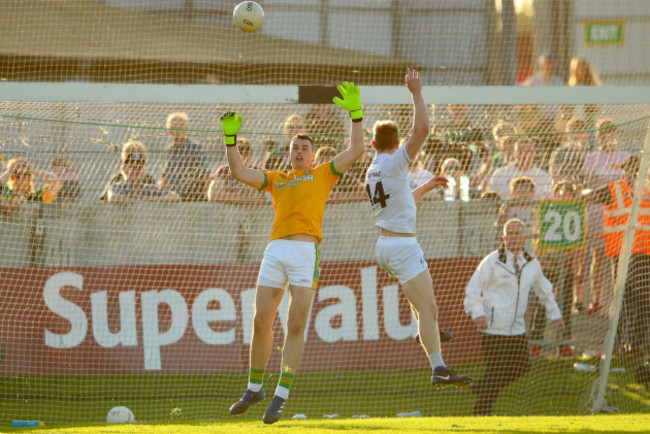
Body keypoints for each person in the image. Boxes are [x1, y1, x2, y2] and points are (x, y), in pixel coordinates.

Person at [224, 81, 365, 425]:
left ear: (314, 155)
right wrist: (230, 140)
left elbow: (357, 150)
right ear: (288, 153)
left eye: (304, 147)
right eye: (294, 147)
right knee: (260, 320)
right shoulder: (276, 178)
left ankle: (281, 395)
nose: (299, 151)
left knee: (296, 323)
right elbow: (239, 172)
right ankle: (254, 387)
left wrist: (356, 115)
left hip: (305, 252)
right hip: (275, 250)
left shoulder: (323, 173)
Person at [364, 68, 473, 390]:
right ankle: (438, 367)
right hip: (402, 246)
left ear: (372, 143)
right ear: (397, 144)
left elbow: (399, 202)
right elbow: (424, 128)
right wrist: (416, 93)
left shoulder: (372, 170)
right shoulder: (396, 160)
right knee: (428, 309)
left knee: (427, 309)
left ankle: (426, 333)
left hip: (386, 245)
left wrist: (426, 186)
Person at [464, 219, 565, 416]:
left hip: (517, 327)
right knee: (496, 370)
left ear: (525, 238)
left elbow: (544, 290)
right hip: (493, 327)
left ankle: (480, 388)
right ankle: (482, 410)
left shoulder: (531, 263)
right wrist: (478, 314)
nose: (513, 238)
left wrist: (556, 316)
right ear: (503, 238)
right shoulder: (492, 261)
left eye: (517, 234)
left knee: (522, 366)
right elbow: (472, 290)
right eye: (509, 234)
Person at [586, 156, 650, 357]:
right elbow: (590, 196)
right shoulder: (614, 189)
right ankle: (619, 344)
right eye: (627, 170)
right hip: (621, 255)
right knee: (622, 298)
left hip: (643, 254)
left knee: (641, 300)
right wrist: (585, 191)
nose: (630, 174)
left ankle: (636, 344)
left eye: (634, 170)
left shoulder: (647, 190)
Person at [581, 118, 629, 314]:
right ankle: (596, 300)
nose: (607, 137)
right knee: (598, 257)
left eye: (610, 132)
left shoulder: (624, 157)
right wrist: (607, 184)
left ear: (615, 135)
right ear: (598, 136)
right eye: (603, 133)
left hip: (618, 214)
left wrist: (602, 183)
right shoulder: (591, 157)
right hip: (597, 214)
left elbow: (626, 185)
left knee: (617, 259)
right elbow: (588, 186)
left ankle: (617, 302)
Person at [530, 181, 582, 357]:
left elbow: (580, 243)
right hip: (547, 263)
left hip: (566, 264)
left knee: (565, 305)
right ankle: (536, 342)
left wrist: (578, 266)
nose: (564, 195)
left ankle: (564, 343)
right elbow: (537, 237)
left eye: (568, 192)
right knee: (542, 303)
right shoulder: (547, 210)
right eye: (560, 191)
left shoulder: (576, 213)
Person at [107, 141, 180, 203]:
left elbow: (176, 197)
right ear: (124, 169)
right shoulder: (119, 187)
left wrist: (148, 200)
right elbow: (112, 197)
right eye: (132, 167)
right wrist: (140, 201)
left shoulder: (149, 189)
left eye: (140, 167)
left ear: (144, 170)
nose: (136, 170)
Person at [160, 112, 210, 201]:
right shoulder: (168, 150)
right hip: (172, 198)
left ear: (186, 129)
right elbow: (163, 178)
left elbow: (205, 175)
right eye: (173, 126)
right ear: (168, 130)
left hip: (191, 197)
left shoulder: (195, 148)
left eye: (180, 126)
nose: (176, 130)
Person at [487, 139, 552, 200]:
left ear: (534, 154)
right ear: (514, 154)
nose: (524, 154)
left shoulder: (543, 176)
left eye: (528, 151)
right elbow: (491, 197)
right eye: (521, 151)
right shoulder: (500, 173)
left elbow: (550, 199)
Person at [207, 138, 267, 205]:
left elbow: (264, 199)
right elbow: (214, 195)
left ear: (251, 156)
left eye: (246, 154)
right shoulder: (224, 171)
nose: (243, 158)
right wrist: (248, 199)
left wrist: (228, 197)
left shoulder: (259, 172)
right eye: (240, 154)